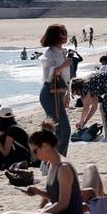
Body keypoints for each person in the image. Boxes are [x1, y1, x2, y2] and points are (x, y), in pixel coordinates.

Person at [0, 123, 83, 214]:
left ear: (45, 146)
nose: (35, 156)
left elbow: (64, 203)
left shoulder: (63, 168)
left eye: (35, 151)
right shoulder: (51, 164)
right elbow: (56, 198)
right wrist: (39, 192)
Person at [39, 24, 73, 156]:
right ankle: (54, 161)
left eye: (65, 32)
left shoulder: (61, 52)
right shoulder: (49, 53)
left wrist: (67, 95)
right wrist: (64, 65)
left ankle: (56, 160)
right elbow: (48, 76)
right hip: (49, 93)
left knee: (60, 130)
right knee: (62, 130)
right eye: (61, 33)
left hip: (59, 93)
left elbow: (65, 77)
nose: (65, 35)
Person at [0, 107, 31, 171]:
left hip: (21, 158)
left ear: (0, 119)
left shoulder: (11, 131)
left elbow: (5, 152)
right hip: (24, 155)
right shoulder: (15, 126)